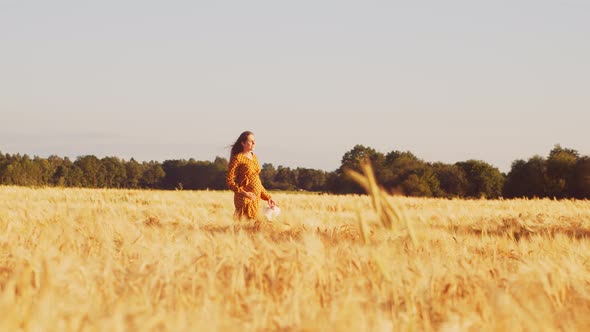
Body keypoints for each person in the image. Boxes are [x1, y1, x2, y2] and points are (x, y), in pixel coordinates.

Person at [226, 131, 277, 220]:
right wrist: (244, 193)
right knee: (242, 227)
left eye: (254, 140)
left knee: (252, 230)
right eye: (250, 141)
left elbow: (256, 180)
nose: (254, 143)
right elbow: (230, 181)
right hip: (244, 200)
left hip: (255, 199)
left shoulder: (254, 157)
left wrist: (267, 197)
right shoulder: (238, 158)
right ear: (243, 143)